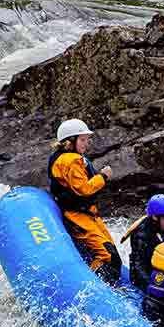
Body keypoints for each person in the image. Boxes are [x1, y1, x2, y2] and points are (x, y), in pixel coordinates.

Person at [48, 118, 121, 284]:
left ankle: (107, 282)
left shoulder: (75, 157)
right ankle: (92, 285)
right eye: (82, 140)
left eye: (87, 139)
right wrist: (103, 176)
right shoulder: (69, 160)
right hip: (77, 216)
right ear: (69, 141)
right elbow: (84, 189)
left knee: (112, 254)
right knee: (109, 257)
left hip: (88, 213)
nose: (86, 143)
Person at [128, 194, 164, 291]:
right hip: (146, 276)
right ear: (155, 217)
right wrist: (155, 287)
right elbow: (139, 267)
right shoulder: (141, 235)